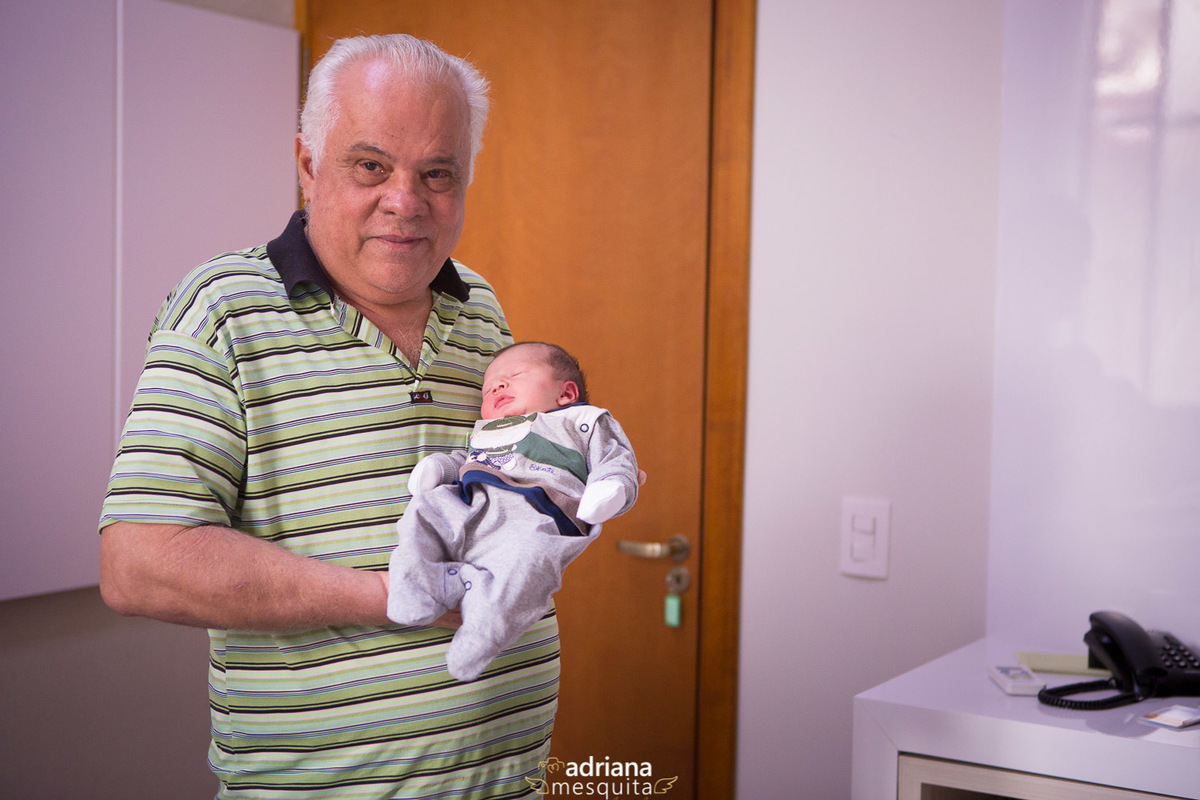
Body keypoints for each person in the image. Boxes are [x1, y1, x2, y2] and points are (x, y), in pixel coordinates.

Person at [98, 34, 560, 798]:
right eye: (371, 165)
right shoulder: (221, 311)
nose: (405, 201)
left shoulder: (479, 305)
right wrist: (398, 596)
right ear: (310, 165)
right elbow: (139, 561)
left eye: (437, 173)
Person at [387, 342, 639, 682]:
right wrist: (442, 467)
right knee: (424, 511)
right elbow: (467, 459)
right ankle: (418, 585)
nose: (497, 387)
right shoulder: (491, 431)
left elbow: (617, 460)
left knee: (527, 566)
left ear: (566, 393)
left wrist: (611, 488)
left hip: (536, 511)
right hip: (472, 502)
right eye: (489, 388)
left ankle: (483, 634)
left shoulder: (582, 421)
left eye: (515, 376)